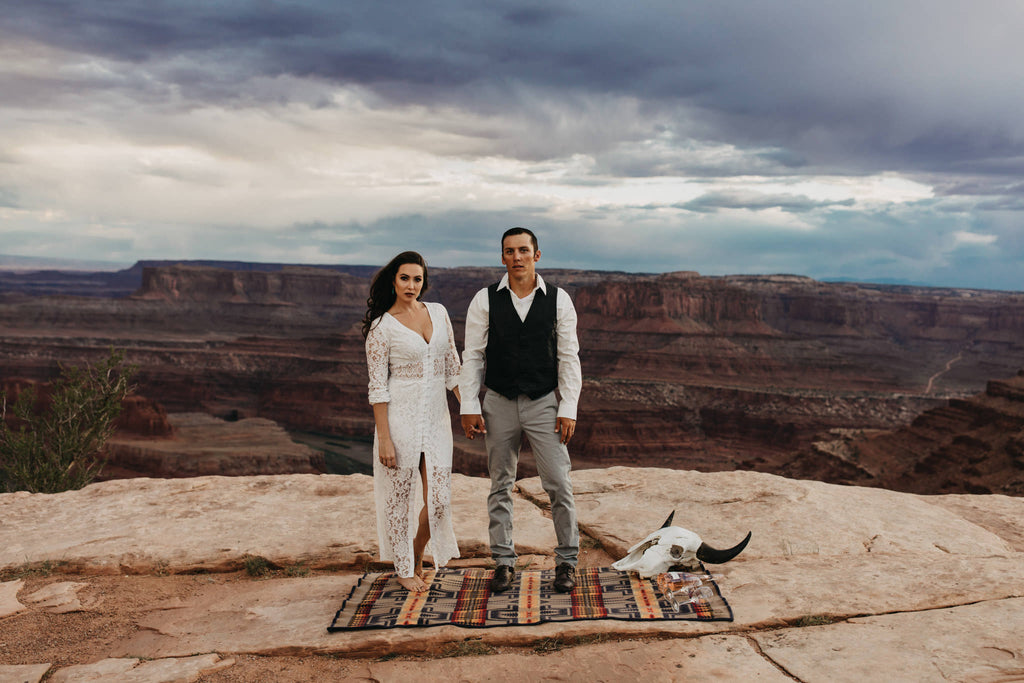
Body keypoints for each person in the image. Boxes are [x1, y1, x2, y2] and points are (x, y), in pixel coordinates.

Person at [459, 227, 582, 594]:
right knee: (500, 484)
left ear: (537, 255)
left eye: (523, 250)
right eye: (510, 251)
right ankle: (503, 563)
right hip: (497, 401)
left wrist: (568, 406)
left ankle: (567, 562)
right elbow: (474, 355)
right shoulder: (485, 299)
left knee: (558, 483)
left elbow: (568, 357)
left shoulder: (559, 300)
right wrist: (469, 404)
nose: (517, 257)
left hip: (544, 403)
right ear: (502, 257)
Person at [362, 251, 462, 592]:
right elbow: (377, 389)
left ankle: (419, 547)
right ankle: (404, 568)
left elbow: (452, 368)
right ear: (394, 280)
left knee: (440, 500)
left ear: (424, 281)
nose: (411, 285)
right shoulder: (381, 327)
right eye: (404, 278)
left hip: (436, 419)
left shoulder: (438, 313)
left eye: (417, 279)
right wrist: (385, 439)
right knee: (399, 498)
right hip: (399, 419)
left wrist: (469, 409)